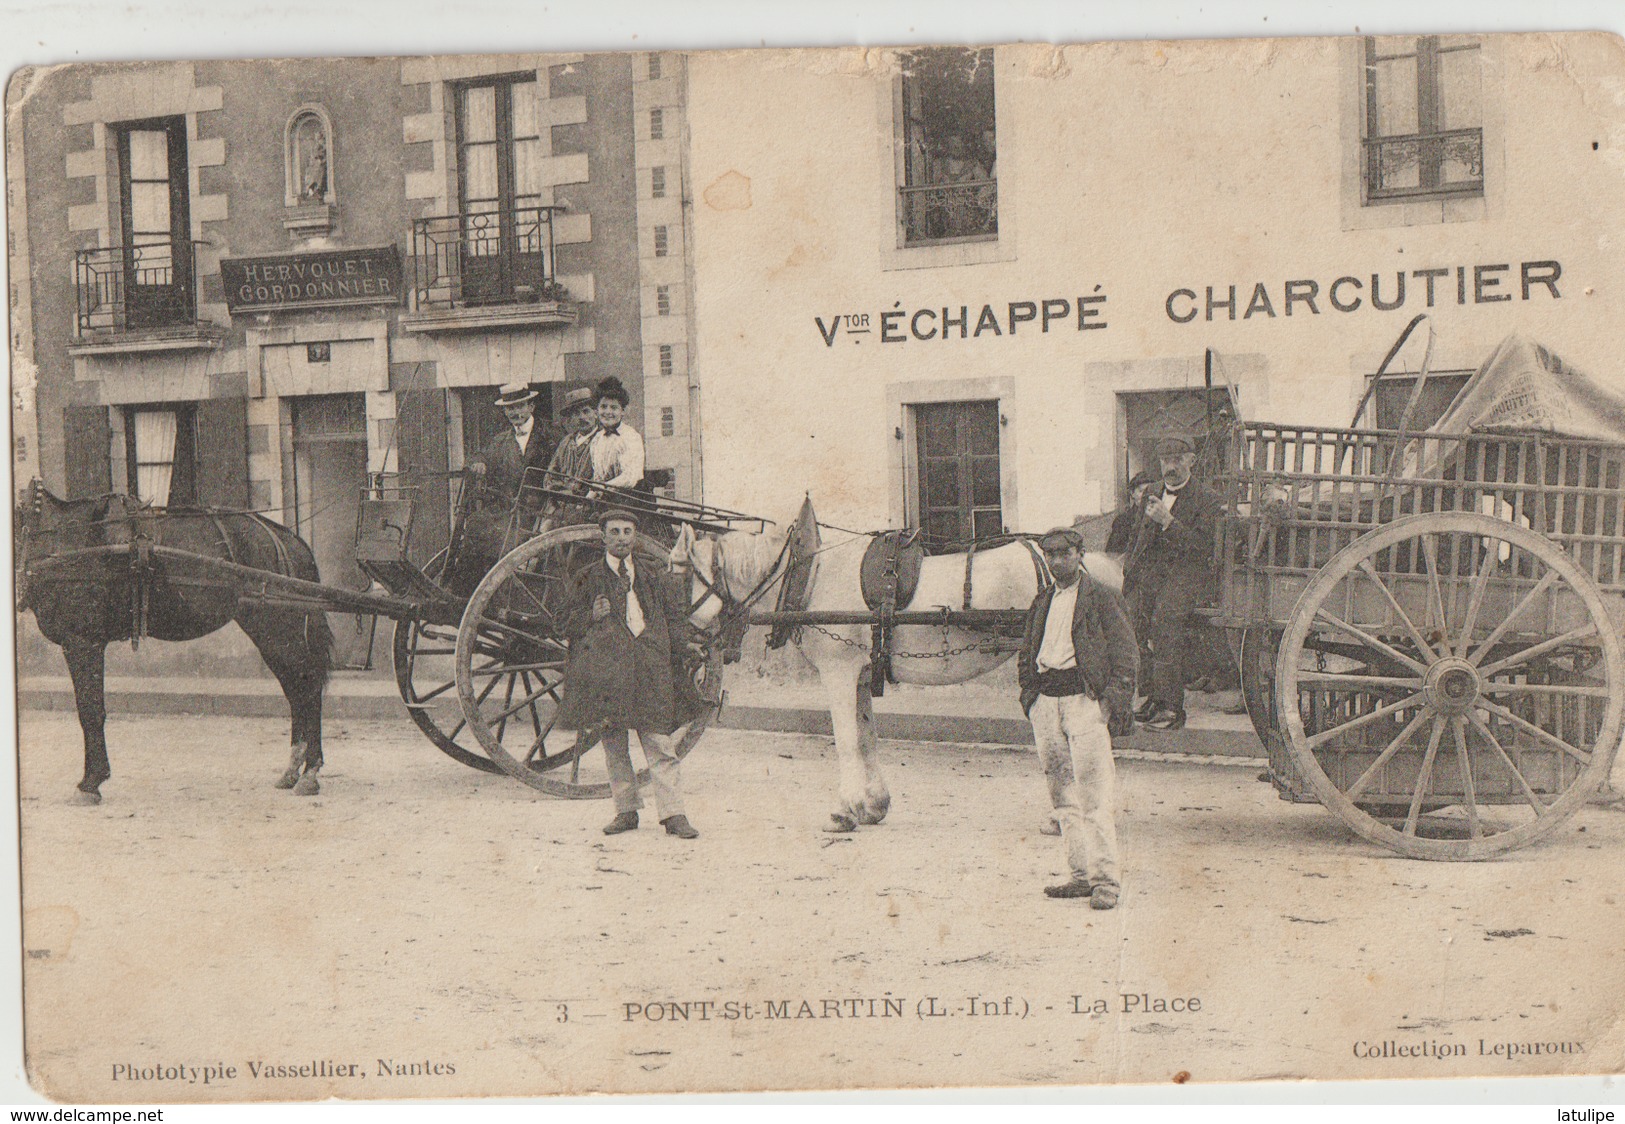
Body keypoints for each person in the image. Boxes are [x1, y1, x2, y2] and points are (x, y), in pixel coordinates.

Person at [558, 508, 698, 840]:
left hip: (649, 667)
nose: (622, 538)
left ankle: (674, 814)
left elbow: (675, 618)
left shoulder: (652, 575)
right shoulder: (587, 577)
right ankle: (625, 811)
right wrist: (589, 615)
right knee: (614, 744)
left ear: (634, 537)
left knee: (660, 743)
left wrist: (683, 649)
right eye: (615, 532)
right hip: (608, 671)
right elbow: (562, 621)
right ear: (603, 537)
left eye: (627, 532)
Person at [1018, 526, 1138, 909]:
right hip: (1047, 704)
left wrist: (1108, 704)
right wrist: (1031, 698)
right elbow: (1028, 652)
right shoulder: (1042, 602)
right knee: (1062, 794)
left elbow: (1127, 656)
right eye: (1050, 555)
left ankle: (1106, 881)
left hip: (1083, 702)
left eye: (1064, 553)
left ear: (1080, 554)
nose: (1057, 561)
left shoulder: (1103, 598)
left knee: (1094, 795)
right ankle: (1079, 875)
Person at [1124, 434, 1223, 732]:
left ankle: (1172, 709)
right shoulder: (1152, 491)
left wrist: (1169, 522)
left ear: (1192, 460)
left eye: (1178, 459)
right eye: (1166, 460)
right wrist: (1129, 571)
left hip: (1188, 576)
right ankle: (1154, 697)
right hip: (1151, 576)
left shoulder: (1207, 498)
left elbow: (1204, 548)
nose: (1171, 466)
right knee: (1134, 623)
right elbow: (1136, 537)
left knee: (1165, 626)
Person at [452, 381, 554, 595]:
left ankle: (502, 593)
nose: (514, 412)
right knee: (475, 524)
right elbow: (480, 454)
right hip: (507, 508)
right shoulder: (501, 440)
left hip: (538, 510)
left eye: (519, 406)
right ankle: (465, 593)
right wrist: (479, 462)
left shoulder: (549, 435)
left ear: (531, 407)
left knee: (503, 536)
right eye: (509, 408)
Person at [588, 376, 645, 492]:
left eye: (614, 408)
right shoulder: (597, 440)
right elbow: (598, 478)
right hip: (605, 496)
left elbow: (630, 477)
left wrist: (603, 488)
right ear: (597, 410)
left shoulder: (631, 437)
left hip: (630, 497)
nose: (608, 412)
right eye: (603, 407)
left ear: (622, 411)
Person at [545, 385, 599, 491]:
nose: (582, 417)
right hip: (562, 501)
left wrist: (576, 491)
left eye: (586, 411)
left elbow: (602, 478)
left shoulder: (603, 441)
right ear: (570, 419)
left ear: (596, 413)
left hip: (589, 502)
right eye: (576, 414)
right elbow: (550, 475)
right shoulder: (566, 442)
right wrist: (557, 487)